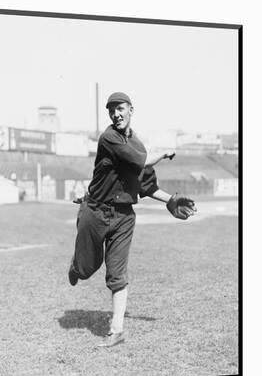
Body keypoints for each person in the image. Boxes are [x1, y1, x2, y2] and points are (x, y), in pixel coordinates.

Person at [68, 92, 196, 348]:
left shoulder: (136, 144)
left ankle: (116, 331)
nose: (116, 114)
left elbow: (146, 186)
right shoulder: (109, 138)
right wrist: (162, 153)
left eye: (120, 108)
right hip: (95, 210)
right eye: (112, 110)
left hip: (123, 216)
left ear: (131, 110)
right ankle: (77, 265)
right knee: (86, 267)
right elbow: (144, 160)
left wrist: (171, 199)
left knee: (117, 274)